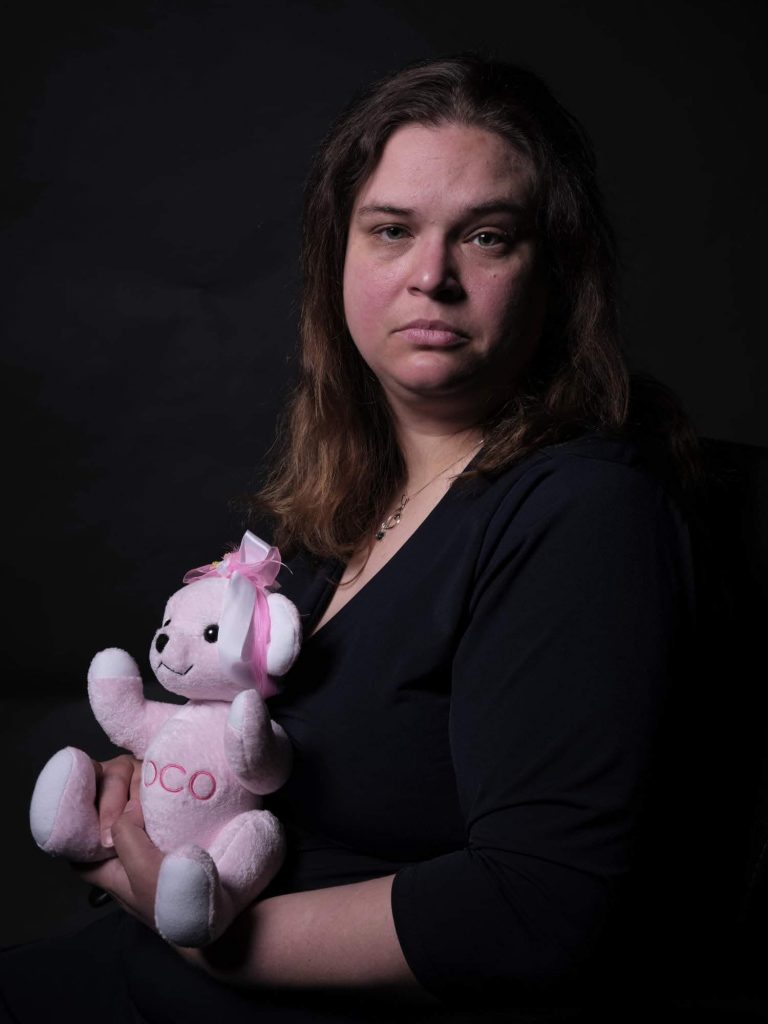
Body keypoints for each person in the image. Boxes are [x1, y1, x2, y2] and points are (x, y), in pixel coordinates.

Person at [1, 54, 700, 1022]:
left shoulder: (584, 513)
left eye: (487, 236)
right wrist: (165, 788)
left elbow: (532, 909)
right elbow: (271, 770)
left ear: (557, 274)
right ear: (341, 255)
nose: (432, 277)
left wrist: (203, 932)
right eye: (391, 230)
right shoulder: (334, 500)